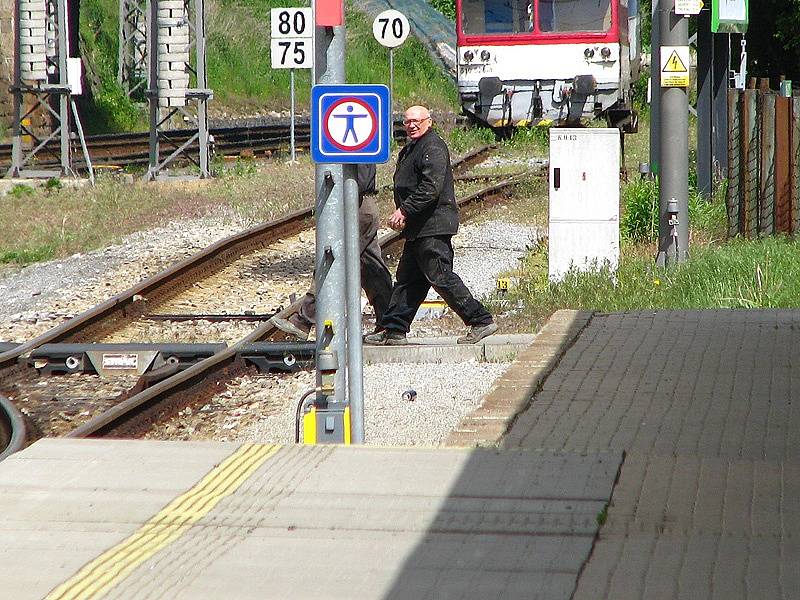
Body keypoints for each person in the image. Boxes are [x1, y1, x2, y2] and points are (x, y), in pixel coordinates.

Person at [364, 106, 498, 346]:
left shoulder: (433, 147)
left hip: (433, 226)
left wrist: (404, 210)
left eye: (417, 121)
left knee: (441, 275)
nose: (412, 125)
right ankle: (394, 329)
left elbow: (430, 188)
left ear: (429, 122)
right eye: (407, 122)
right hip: (419, 228)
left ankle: (480, 320)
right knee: (408, 279)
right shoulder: (412, 149)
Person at [269, 163, 393, 341]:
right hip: (357, 206)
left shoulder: (357, 144)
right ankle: (391, 322)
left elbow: (362, 180)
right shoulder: (353, 143)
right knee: (372, 268)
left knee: (333, 261)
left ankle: (303, 320)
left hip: (356, 207)